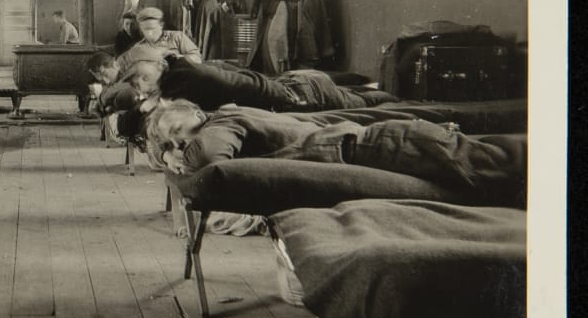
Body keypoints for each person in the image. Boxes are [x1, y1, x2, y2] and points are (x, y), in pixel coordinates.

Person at [144, 98, 526, 208]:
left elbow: (210, 159)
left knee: (505, 163)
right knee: (496, 173)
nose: (181, 143)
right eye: (174, 141)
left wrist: (174, 160)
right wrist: (167, 155)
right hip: (375, 145)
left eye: (178, 131)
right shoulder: (227, 114)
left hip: (379, 145)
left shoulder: (220, 124)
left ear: (196, 112)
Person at [125, 56, 398, 112]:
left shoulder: (185, 81)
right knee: (362, 95)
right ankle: (384, 91)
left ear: (161, 67)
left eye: (144, 78)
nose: (143, 85)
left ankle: (405, 100)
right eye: (138, 83)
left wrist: (149, 103)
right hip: (294, 83)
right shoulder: (182, 65)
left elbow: (174, 101)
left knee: (367, 104)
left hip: (298, 94)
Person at [115, 7, 200, 67]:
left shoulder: (177, 37)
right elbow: (120, 63)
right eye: (145, 29)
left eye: (152, 29)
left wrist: (176, 58)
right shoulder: (138, 47)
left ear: (161, 25)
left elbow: (197, 59)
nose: (149, 33)